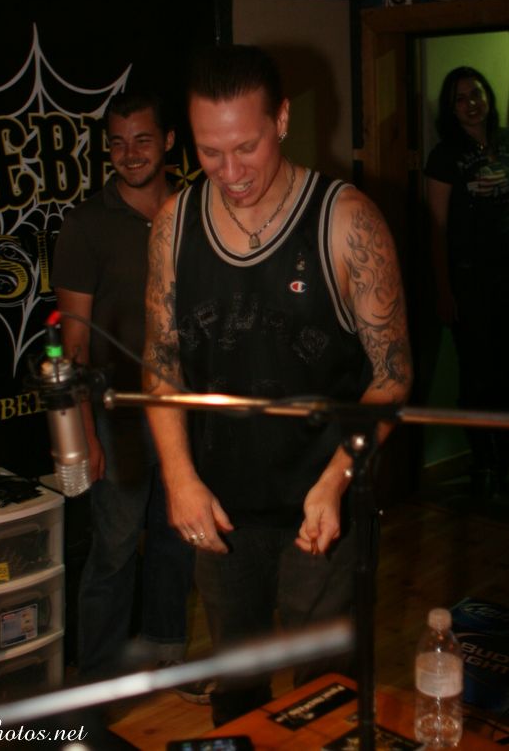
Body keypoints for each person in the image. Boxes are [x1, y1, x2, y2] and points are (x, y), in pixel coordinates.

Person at [142, 44, 412, 725]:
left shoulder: (348, 222)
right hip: (221, 504)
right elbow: (161, 359)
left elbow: (392, 379)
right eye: (210, 152)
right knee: (236, 689)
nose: (231, 173)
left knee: (324, 695)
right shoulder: (175, 223)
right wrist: (178, 476)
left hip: (323, 500)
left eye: (247, 147)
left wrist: (336, 481)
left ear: (283, 120)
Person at [52, 87, 211, 701]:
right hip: (116, 413)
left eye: (143, 139)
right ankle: (96, 683)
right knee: (115, 548)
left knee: (178, 535)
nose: (130, 153)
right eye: (117, 142)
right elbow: (73, 341)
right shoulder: (86, 225)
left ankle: (168, 659)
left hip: (185, 406)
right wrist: (84, 432)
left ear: (169, 140)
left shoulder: (198, 209)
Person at [425, 65, 509, 498]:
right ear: (451, 108)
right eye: (461, 98)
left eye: (476, 93)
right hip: (470, 282)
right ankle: (485, 463)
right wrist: (444, 289)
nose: (471, 103)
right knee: (479, 373)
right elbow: (437, 229)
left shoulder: (506, 142)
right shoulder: (444, 156)